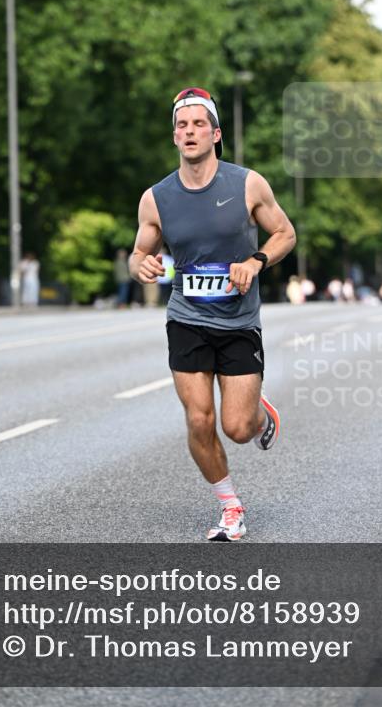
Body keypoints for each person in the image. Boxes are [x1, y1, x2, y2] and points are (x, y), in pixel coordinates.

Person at [129, 87, 296, 542]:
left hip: (239, 321)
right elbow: (139, 252)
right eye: (182, 126)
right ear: (174, 137)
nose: (189, 132)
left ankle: (260, 415)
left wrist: (256, 262)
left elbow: (284, 234)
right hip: (187, 318)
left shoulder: (247, 184)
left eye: (198, 124)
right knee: (199, 419)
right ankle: (230, 507)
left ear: (215, 134)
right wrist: (140, 265)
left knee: (237, 428)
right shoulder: (156, 198)